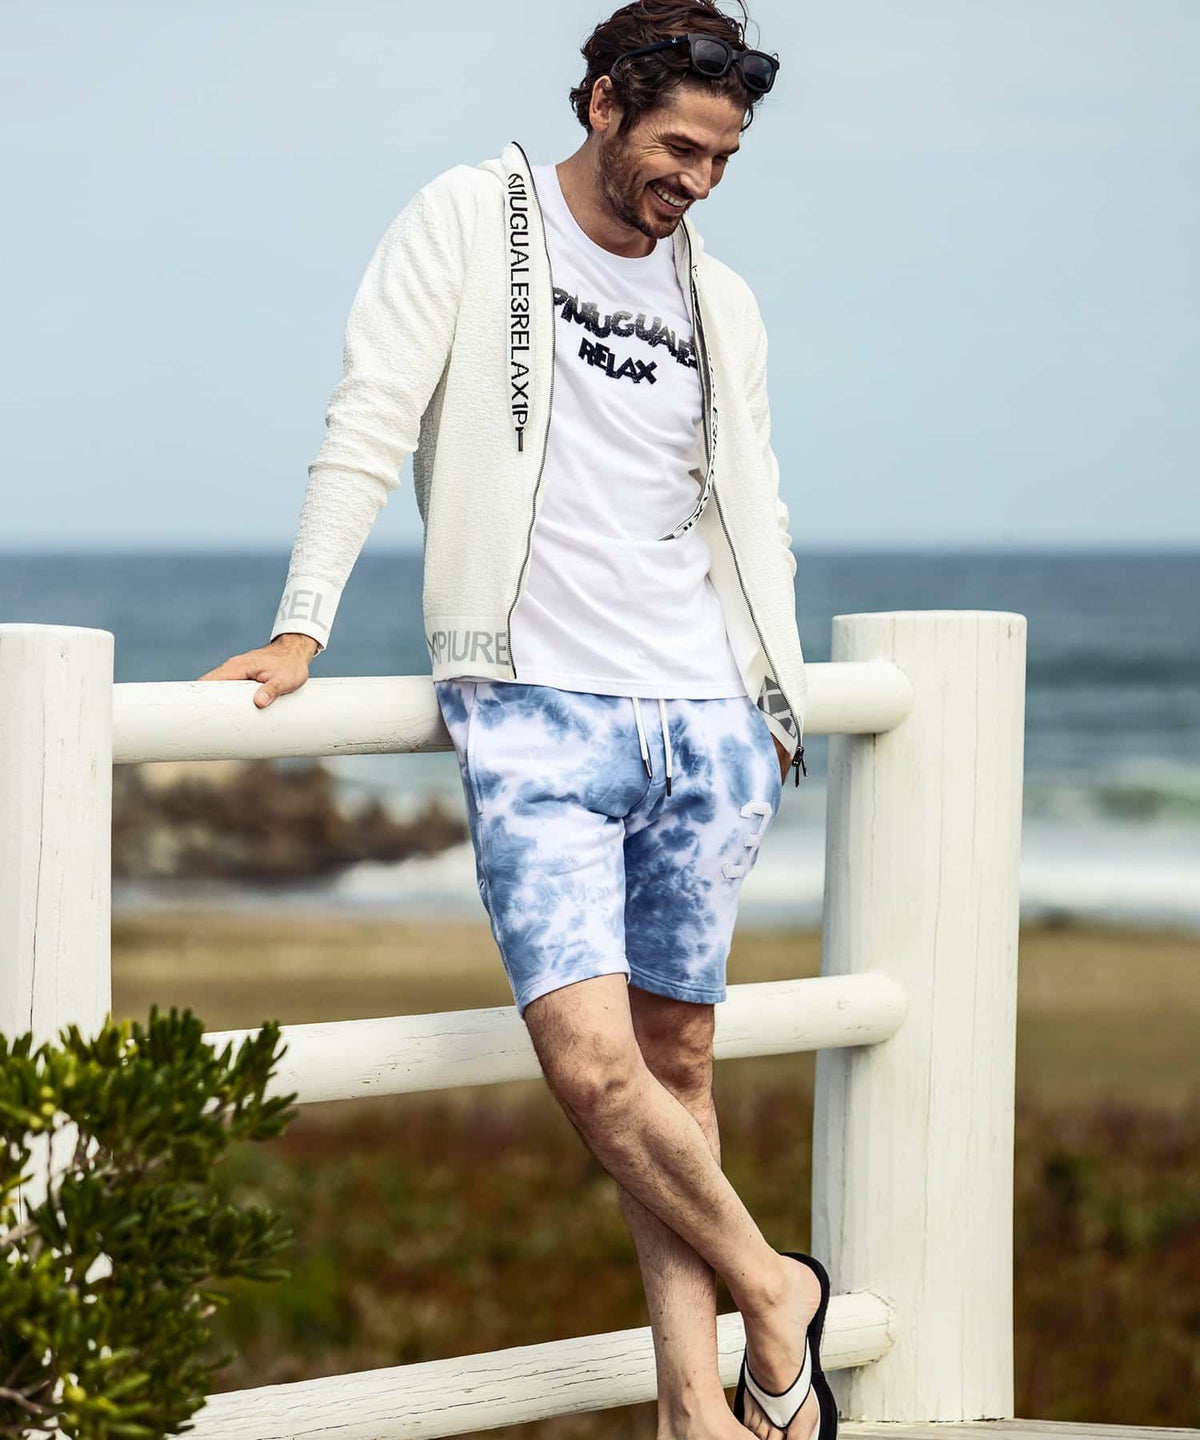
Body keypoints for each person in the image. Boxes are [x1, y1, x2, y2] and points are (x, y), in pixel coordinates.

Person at [200, 2, 835, 1436]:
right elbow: (370, 420)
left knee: (678, 1069)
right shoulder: (469, 221)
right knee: (596, 1068)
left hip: (704, 716)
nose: (698, 183)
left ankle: (693, 1408)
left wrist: (775, 692)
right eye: (680, 148)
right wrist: (304, 626)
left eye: (723, 160)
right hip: (538, 710)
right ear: (603, 103)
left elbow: (758, 508)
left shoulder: (722, 302)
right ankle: (777, 1290)